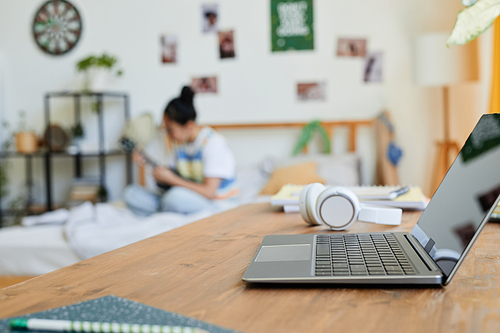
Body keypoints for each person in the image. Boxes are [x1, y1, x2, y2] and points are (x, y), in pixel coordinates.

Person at [123, 86, 238, 216]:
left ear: (188, 126)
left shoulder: (213, 144)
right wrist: (156, 173)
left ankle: (165, 210)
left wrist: (172, 180)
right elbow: (171, 181)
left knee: (174, 198)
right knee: (131, 193)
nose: (168, 135)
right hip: (186, 198)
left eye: (170, 130)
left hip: (216, 204)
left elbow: (209, 192)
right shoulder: (180, 145)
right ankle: (167, 210)